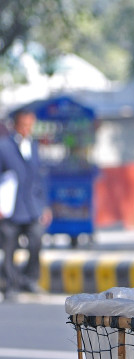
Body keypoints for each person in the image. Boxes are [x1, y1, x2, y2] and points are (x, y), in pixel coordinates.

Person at [0, 108, 50, 299]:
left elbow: (40, 178)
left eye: (31, 124)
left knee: (37, 239)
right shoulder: (3, 147)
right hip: (10, 209)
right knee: (9, 247)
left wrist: (44, 205)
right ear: (15, 124)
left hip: (32, 208)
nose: (27, 128)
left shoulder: (35, 146)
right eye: (24, 124)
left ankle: (29, 279)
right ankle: (10, 286)